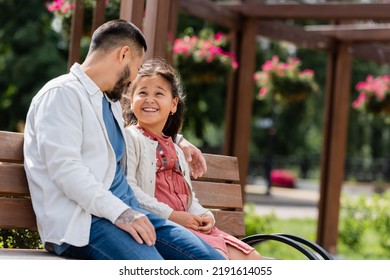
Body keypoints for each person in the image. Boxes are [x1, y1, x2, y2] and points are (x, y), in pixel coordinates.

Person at [23, 19, 225, 260]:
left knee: (213, 262)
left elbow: (138, 132)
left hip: (131, 214)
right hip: (85, 223)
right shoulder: (61, 95)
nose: (133, 79)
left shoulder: (109, 103)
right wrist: (121, 213)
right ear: (124, 54)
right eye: (136, 67)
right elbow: (66, 170)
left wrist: (179, 140)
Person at [122, 58, 264, 260]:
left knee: (254, 260)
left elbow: (189, 198)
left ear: (173, 105)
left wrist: (205, 215)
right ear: (131, 99)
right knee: (218, 262)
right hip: (163, 225)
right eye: (142, 93)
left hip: (190, 224)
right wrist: (173, 216)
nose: (149, 99)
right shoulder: (129, 138)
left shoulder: (177, 149)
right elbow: (129, 190)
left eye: (159, 93)